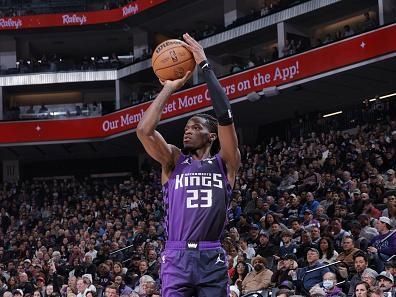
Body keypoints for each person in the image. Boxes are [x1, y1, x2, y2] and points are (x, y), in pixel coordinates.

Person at [136, 33, 241, 297]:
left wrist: (204, 66)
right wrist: (169, 88)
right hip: (176, 255)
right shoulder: (172, 160)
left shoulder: (226, 163)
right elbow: (144, 130)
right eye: (186, 127)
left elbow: (225, 114)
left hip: (211, 255)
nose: (187, 132)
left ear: (211, 135)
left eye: (195, 127)